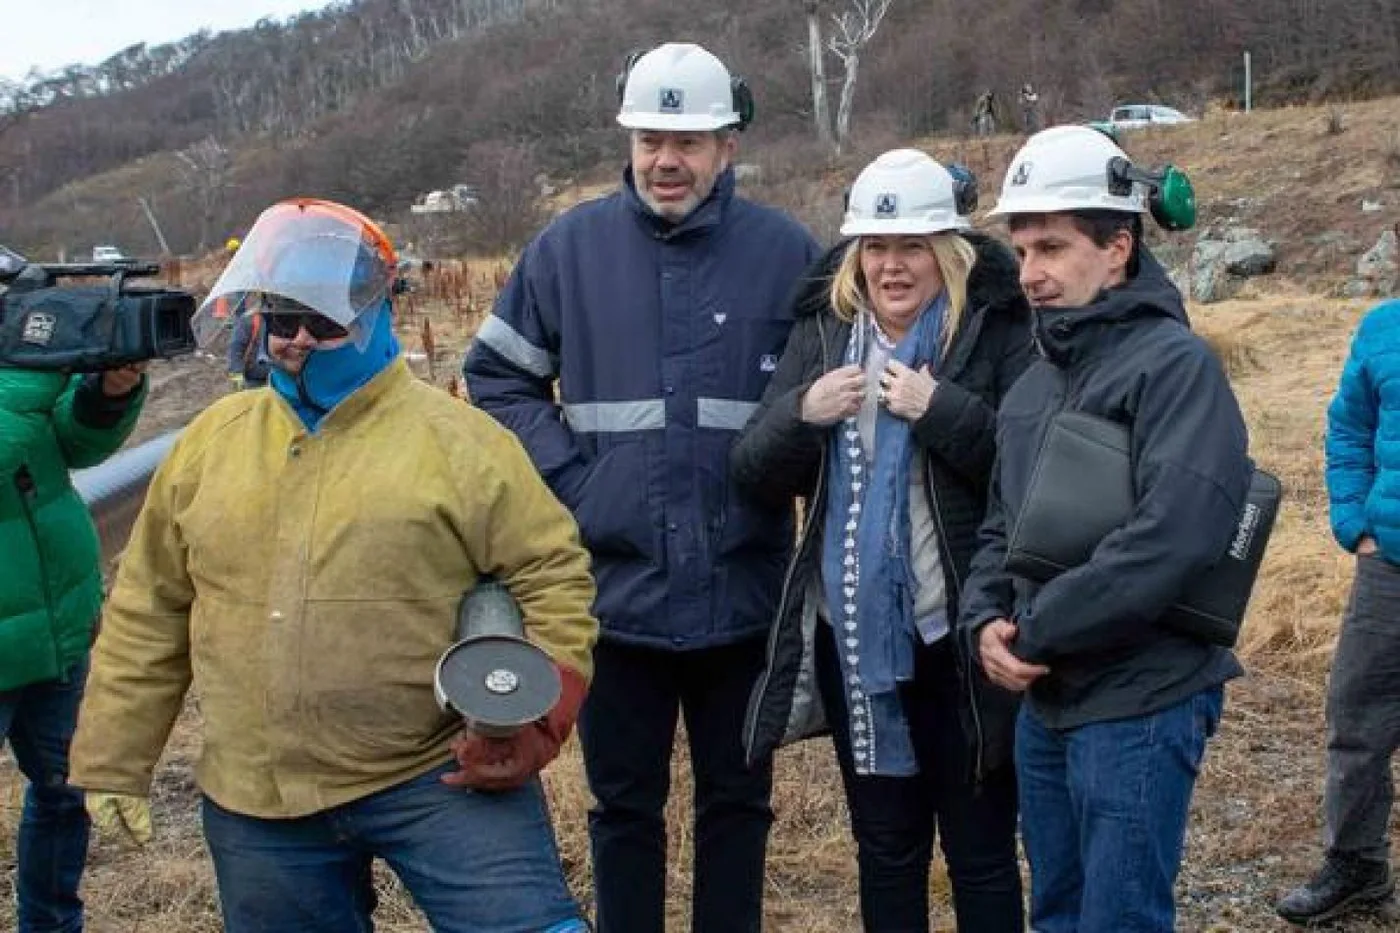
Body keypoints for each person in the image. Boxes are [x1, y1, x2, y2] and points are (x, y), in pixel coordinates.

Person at [68, 197, 598, 933]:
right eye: (282, 319)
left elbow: (554, 576)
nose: (297, 340)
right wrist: (115, 756)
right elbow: (150, 607)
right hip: (260, 794)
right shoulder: (210, 442)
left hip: (436, 768)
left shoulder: (462, 441)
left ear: (376, 311)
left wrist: (540, 715)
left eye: (322, 319)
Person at [463, 42, 820, 933]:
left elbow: (828, 396)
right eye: (651, 138)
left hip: (745, 594)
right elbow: (496, 379)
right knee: (623, 813)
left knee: (738, 808)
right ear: (627, 140)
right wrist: (581, 488)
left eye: (689, 141)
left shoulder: (787, 255)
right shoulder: (566, 250)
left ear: (727, 147)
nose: (667, 160)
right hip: (614, 599)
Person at [961, 124, 1253, 932]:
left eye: (1052, 248)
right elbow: (1000, 523)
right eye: (1021, 252)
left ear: (1119, 245)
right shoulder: (1033, 378)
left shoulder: (1175, 367)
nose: (1031, 275)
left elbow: (1173, 537)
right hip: (1047, 701)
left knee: (1119, 916)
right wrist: (983, 618)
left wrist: (1035, 629)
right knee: (1056, 909)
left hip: (1140, 698)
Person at [731, 148, 1031, 931]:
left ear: (949, 253)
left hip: (960, 636)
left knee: (982, 848)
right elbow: (753, 470)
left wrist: (944, 409)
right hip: (854, 642)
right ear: (854, 254)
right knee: (886, 847)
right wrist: (804, 409)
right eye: (876, 248)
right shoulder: (825, 334)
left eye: (912, 249)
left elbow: (1030, 469)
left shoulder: (995, 331)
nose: (892, 267)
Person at [1, 357, 146, 932]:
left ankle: (52, 923)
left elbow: (74, 447)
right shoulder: (19, 375)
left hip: (56, 624)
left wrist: (102, 394)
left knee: (64, 790)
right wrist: (37, 370)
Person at [1275, 298, 1400, 926]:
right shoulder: (1383, 327)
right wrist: (1355, 522)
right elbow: (1349, 428)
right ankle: (1357, 865)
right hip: (1390, 570)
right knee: (1357, 720)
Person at [225, 308, 269, 389]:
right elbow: (236, 347)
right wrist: (237, 372)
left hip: (280, 372)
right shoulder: (250, 319)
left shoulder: (291, 318)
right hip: (255, 372)